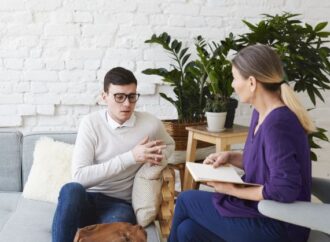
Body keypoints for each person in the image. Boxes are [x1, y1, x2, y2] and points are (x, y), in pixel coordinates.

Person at [168, 44, 316, 242]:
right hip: (260, 212)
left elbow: (284, 189)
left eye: (235, 77)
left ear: (252, 82)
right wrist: (230, 157)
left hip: (280, 224)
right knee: (188, 230)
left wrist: (231, 189)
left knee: (186, 200)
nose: (232, 85)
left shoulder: (278, 123)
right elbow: (266, 162)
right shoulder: (260, 113)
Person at [52, 67, 175, 242]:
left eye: (132, 97)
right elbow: (79, 177)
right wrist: (131, 157)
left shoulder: (150, 124)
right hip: (86, 199)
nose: (127, 104)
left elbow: (170, 144)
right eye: (119, 97)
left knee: (121, 231)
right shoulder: (90, 124)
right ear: (104, 97)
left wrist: (155, 158)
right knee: (71, 189)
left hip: (119, 204)